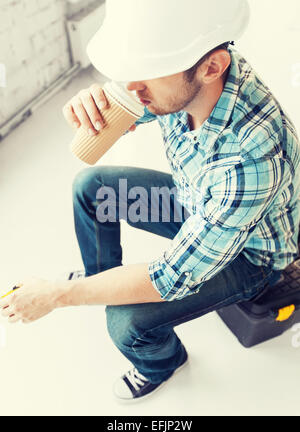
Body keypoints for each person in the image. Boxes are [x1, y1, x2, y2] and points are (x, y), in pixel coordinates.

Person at [1, 0, 300, 403]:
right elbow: (136, 100)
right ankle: (101, 278)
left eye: (146, 74)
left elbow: (170, 277)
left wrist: (56, 295)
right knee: (93, 188)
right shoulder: (187, 73)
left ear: (213, 67)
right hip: (199, 202)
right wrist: (96, 106)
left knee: (127, 322)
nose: (131, 86)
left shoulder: (251, 160)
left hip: (248, 255)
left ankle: (162, 362)